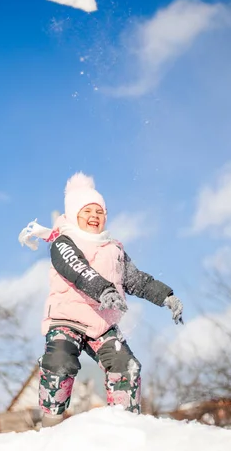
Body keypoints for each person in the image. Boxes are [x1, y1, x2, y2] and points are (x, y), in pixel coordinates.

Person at [19, 172, 183, 427]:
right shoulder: (63, 241)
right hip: (67, 318)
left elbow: (136, 280)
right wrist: (104, 290)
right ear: (74, 215)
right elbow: (77, 269)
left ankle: (125, 422)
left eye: (100, 211)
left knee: (126, 365)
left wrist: (166, 296)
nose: (95, 216)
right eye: (87, 211)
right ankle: (52, 421)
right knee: (60, 361)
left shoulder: (113, 249)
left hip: (101, 324)